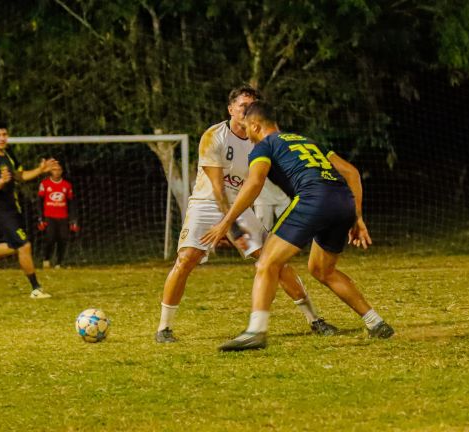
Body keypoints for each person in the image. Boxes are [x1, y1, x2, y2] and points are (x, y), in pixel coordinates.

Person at [202, 101, 394, 351]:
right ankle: (375, 322)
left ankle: (256, 331)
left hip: (313, 200)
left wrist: (226, 221)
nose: (246, 134)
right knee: (322, 270)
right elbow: (352, 172)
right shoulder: (307, 141)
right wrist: (356, 217)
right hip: (342, 202)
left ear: (255, 125)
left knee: (267, 263)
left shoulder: (264, 146)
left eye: (247, 128)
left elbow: (255, 183)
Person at [156, 86, 336, 343]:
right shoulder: (213, 136)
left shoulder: (261, 141)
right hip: (207, 204)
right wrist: (230, 227)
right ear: (230, 109)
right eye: (243, 106)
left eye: (252, 107)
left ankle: (315, 320)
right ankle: (164, 328)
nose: (247, 111)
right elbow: (219, 189)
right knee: (186, 259)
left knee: (275, 261)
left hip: (239, 206)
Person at [0, 122, 57, 299]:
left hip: (12, 206)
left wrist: (40, 170)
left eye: (4, 134)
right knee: (25, 245)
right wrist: (1, 181)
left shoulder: (8, 154)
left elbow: (20, 176)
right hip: (0, 209)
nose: (2, 138)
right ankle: (36, 288)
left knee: (13, 245)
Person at [37, 164, 79, 269]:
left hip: (63, 217)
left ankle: (59, 263)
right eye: (54, 170)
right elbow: (39, 201)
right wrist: (40, 217)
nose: (57, 172)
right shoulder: (45, 184)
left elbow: (71, 202)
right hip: (49, 216)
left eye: (59, 169)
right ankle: (46, 259)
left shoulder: (67, 185)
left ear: (62, 171)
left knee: (63, 239)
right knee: (50, 238)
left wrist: (73, 219)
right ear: (51, 171)